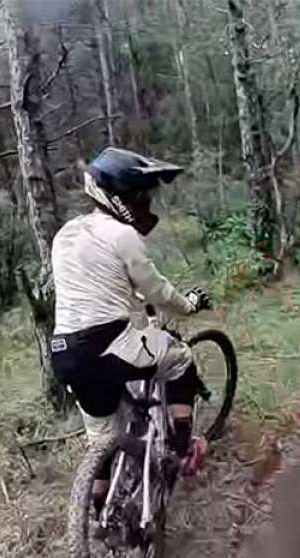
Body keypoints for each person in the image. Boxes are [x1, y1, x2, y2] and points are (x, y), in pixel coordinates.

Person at [50, 147, 211, 483]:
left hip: (65, 354)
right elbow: (158, 292)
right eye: (140, 197)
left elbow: (94, 287)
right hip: (109, 347)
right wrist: (190, 305)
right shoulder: (123, 235)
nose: (145, 205)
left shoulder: (65, 235)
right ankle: (181, 455)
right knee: (181, 359)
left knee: (102, 440)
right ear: (121, 197)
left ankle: (98, 512)